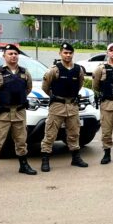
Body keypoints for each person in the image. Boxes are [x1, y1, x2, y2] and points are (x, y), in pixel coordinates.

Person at [0, 44, 38, 179]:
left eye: (15, 54)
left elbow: (28, 89)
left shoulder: (25, 72)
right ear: (4, 56)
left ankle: (23, 165)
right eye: (10, 54)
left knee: (21, 140)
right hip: (2, 112)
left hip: (19, 112)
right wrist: (2, 98)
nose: (13, 56)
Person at [40, 42, 88, 171]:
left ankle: (76, 158)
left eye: (70, 53)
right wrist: (56, 96)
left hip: (72, 106)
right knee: (50, 134)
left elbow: (79, 85)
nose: (68, 55)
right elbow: (45, 87)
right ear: (60, 53)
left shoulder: (78, 69)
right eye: (65, 53)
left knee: (74, 133)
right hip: (57, 106)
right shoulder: (54, 70)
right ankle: (45, 159)